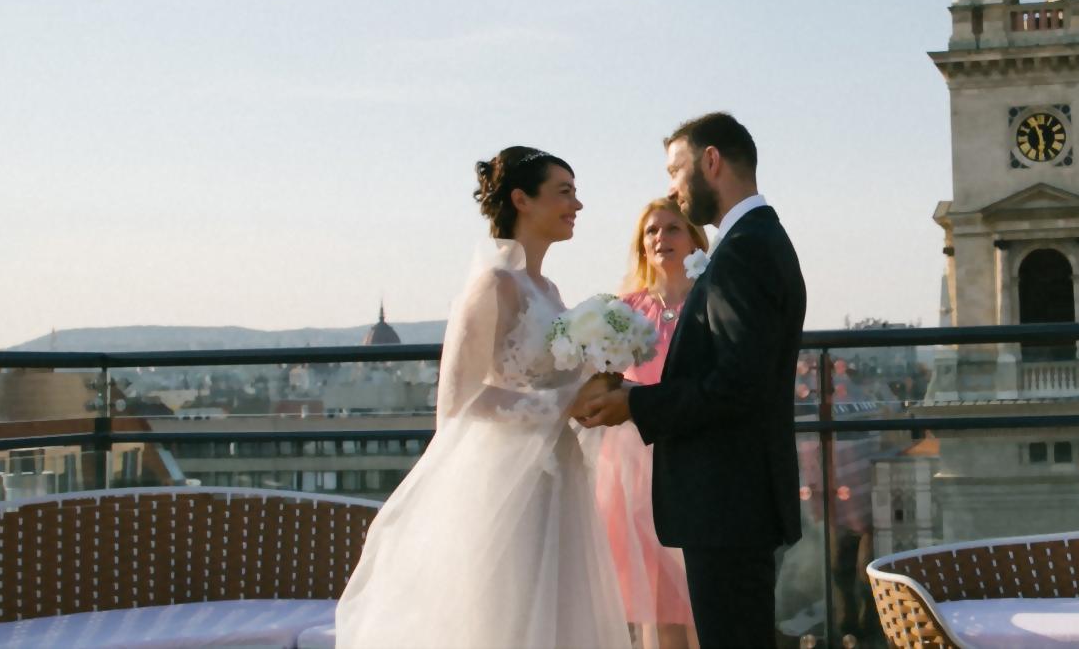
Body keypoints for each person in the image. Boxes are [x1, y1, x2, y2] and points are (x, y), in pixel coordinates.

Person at [337, 147, 629, 648]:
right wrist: (560, 406)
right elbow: (459, 401)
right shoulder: (494, 285)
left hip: (555, 481)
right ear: (522, 199)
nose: (577, 205)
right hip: (506, 483)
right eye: (565, 192)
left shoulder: (550, 290)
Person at [575, 113, 807, 649]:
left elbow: (734, 386)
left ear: (711, 162)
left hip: (726, 501)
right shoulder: (756, 240)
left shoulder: (742, 251)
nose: (674, 188)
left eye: (677, 171)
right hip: (739, 496)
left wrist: (635, 403)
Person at [588, 198, 708, 649]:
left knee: (695, 590)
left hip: (692, 454)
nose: (661, 239)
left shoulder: (711, 299)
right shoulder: (625, 309)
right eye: (652, 232)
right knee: (653, 600)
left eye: (673, 228)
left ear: (695, 239)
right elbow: (602, 382)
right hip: (632, 467)